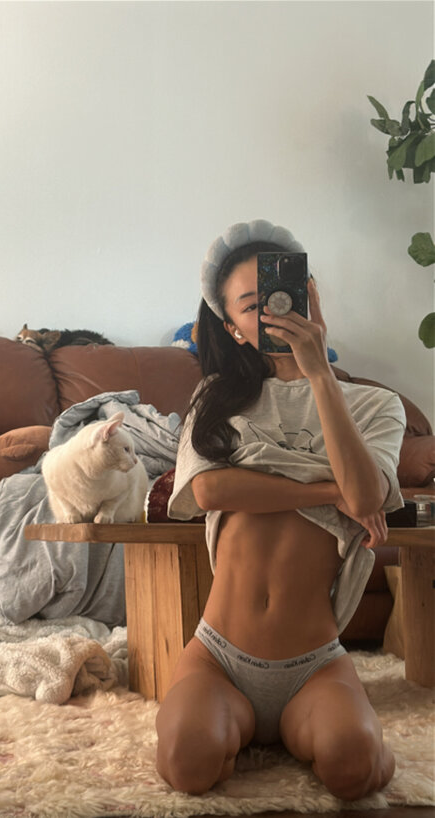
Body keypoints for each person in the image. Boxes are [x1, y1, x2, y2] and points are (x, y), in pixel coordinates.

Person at [156, 220, 406, 800]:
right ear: (233, 328)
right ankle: (233, 729)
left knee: (355, 770)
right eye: (251, 307)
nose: (272, 315)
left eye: (281, 296)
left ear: (309, 295)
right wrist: (327, 490)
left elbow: (366, 499)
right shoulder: (215, 398)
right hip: (219, 657)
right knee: (187, 765)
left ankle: (335, 728)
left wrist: (319, 374)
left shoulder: (376, 405)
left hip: (313, 663)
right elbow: (210, 492)